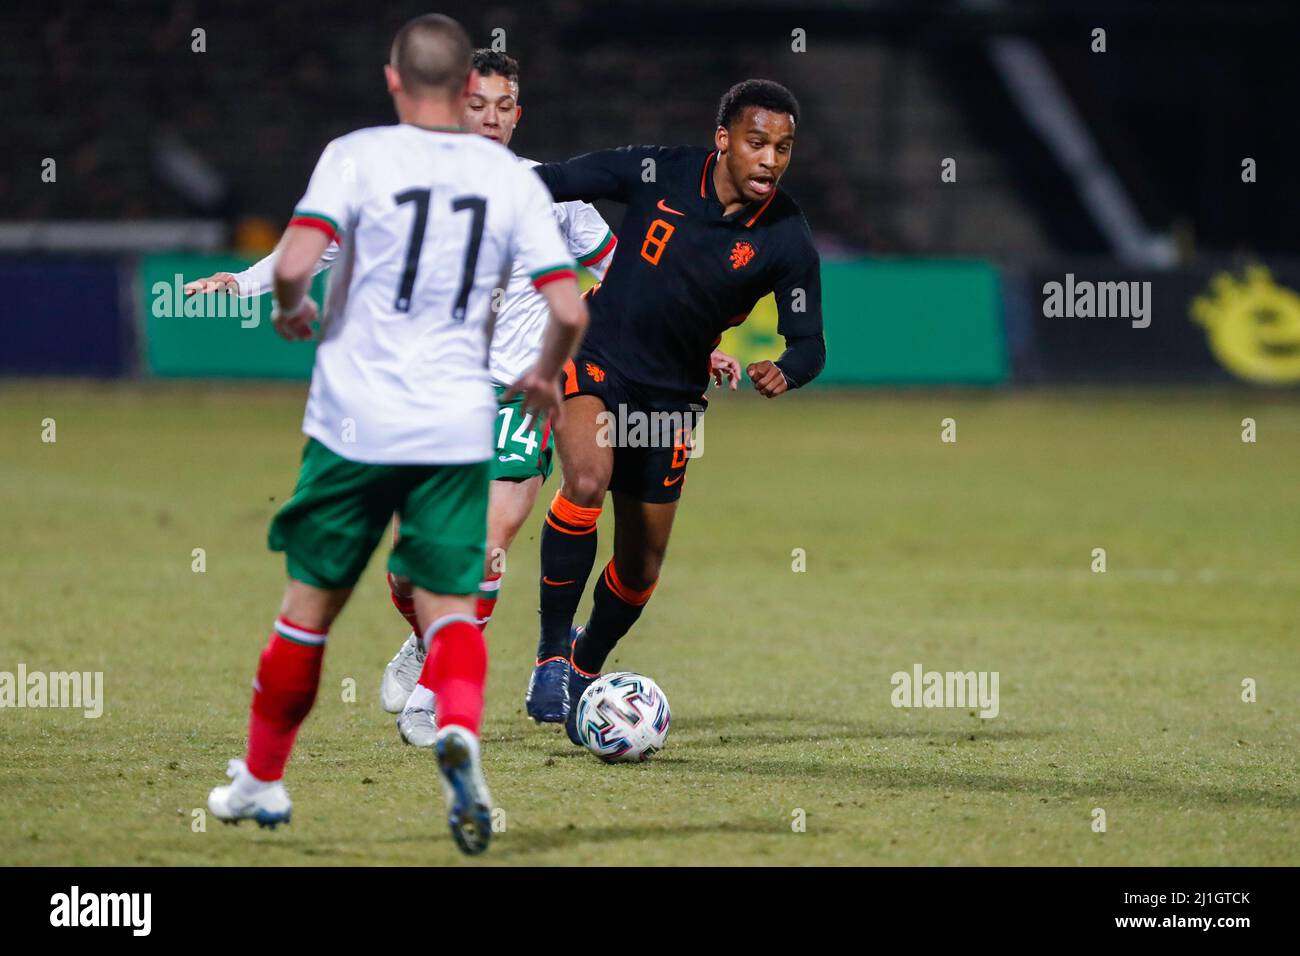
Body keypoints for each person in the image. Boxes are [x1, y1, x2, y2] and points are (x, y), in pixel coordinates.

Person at [204, 14, 587, 856]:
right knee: (453, 601)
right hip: (456, 416)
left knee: (308, 610)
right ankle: (458, 730)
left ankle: (264, 779)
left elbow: (300, 261)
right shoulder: (518, 190)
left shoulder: (356, 155)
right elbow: (572, 306)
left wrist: (288, 306)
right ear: (464, 92)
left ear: (393, 81)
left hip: (356, 418)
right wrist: (546, 371)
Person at [525, 79, 826, 745]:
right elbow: (555, 179)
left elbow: (811, 344)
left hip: (673, 402)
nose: (770, 160)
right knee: (584, 479)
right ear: (723, 140)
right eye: (756, 143)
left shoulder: (786, 236)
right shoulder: (657, 169)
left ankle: (583, 666)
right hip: (598, 357)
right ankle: (548, 659)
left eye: (783, 148)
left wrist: (788, 368)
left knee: (641, 568)